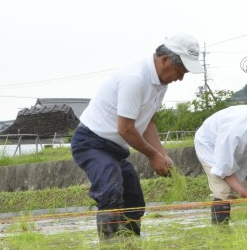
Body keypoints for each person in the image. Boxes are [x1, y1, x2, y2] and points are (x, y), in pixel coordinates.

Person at [71, 33, 204, 238]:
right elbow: (125, 128)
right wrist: (153, 156)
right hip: (92, 143)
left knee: (133, 198)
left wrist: (162, 153)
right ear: (166, 60)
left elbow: (148, 121)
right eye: (181, 70)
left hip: (116, 149)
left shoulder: (161, 85)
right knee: (110, 193)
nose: (180, 77)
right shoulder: (135, 78)